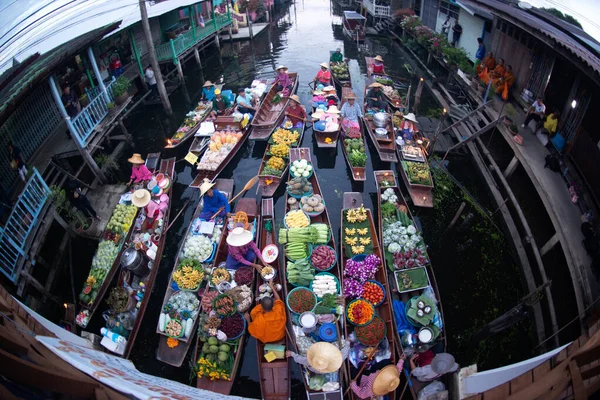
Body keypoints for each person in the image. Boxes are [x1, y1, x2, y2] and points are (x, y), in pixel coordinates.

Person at [286, 341, 350, 374]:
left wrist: (292, 354)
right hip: (324, 369)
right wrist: (347, 343)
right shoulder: (335, 360)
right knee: (341, 343)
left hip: (317, 369)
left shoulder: (309, 361)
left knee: (300, 342)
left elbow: (300, 359)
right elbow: (344, 353)